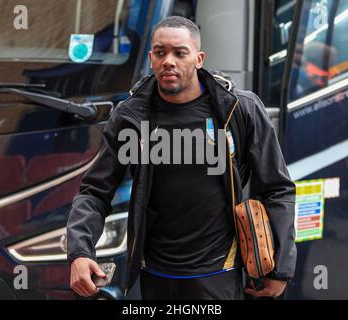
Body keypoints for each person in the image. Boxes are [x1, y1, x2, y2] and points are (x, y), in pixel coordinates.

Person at [67, 16, 297, 300]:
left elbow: (277, 189)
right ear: (151, 58)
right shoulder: (130, 117)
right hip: (153, 273)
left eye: (180, 53)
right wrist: (79, 251)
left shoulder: (239, 109)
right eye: (160, 53)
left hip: (218, 273)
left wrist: (281, 267)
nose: (169, 61)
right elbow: (94, 191)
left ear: (199, 59)